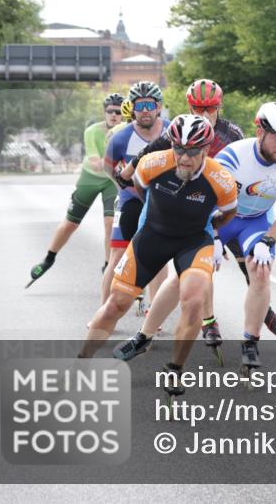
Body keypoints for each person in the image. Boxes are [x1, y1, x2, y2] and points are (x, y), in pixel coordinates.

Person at [115, 102, 276, 368]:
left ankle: (250, 343)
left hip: (256, 220)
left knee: (261, 270)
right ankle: (143, 336)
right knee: (183, 277)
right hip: (217, 217)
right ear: (260, 132)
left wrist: (268, 240)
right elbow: (203, 198)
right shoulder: (234, 156)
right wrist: (213, 237)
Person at [79, 115, 237, 391]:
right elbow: (141, 190)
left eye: (192, 151)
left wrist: (211, 232)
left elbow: (228, 213)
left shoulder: (221, 179)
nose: (184, 158)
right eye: (178, 149)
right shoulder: (152, 163)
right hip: (154, 235)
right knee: (116, 304)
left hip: (193, 241)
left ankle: (174, 370)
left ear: (206, 149)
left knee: (193, 301)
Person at [27, 93, 124, 287]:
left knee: (110, 222)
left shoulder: (126, 131)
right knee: (71, 223)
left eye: (118, 112)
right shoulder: (92, 131)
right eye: (110, 111)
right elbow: (96, 163)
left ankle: (108, 266)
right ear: (104, 113)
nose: (114, 115)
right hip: (90, 178)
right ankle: (49, 258)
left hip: (111, 180)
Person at [100, 81, 169, 307]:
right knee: (117, 256)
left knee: (159, 257)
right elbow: (108, 168)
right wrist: (126, 188)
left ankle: (154, 312)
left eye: (150, 105)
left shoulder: (172, 131)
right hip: (131, 201)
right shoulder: (121, 138)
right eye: (140, 106)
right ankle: (103, 311)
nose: (145, 110)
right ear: (132, 108)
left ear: (159, 106)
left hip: (162, 204)